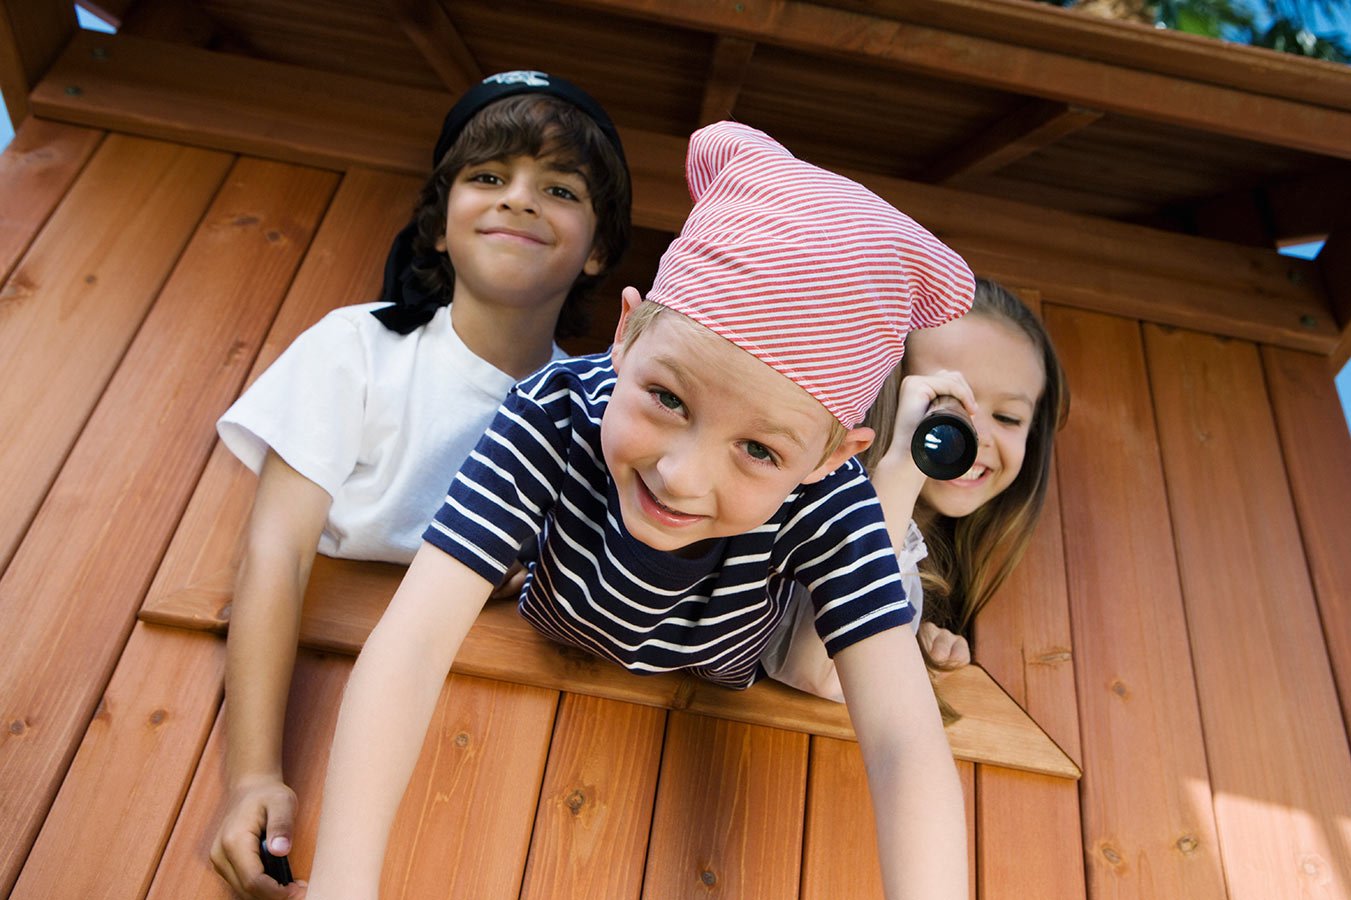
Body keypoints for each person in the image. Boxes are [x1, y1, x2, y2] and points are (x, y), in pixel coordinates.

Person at [304, 121, 976, 900]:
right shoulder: (551, 411)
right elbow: (413, 643)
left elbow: (902, 744)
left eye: (758, 451)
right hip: (561, 617)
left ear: (829, 459)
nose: (680, 475)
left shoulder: (832, 504)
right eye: (665, 398)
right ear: (625, 334)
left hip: (727, 664)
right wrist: (340, 886)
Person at [208, 70, 632, 900]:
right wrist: (252, 775)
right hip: (319, 704)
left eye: (558, 187)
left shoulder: (599, 410)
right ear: (438, 226)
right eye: (487, 177)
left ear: (599, 249)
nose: (518, 199)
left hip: (514, 763)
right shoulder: (357, 349)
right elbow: (277, 554)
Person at [762, 278, 1070, 709]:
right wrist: (903, 468)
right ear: (888, 393)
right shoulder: (810, 503)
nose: (975, 436)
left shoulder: (942, 567)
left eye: (1008, 417)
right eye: (947, 401)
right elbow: (815, 671)